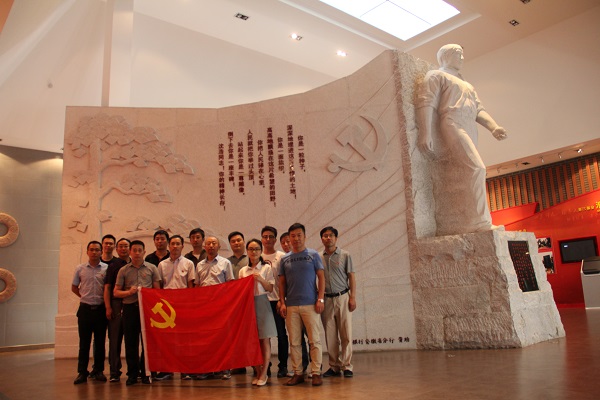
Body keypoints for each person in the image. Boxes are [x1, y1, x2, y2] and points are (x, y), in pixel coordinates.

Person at [416, 44, 507, 236]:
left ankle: (463, 220)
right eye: (458, 54)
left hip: (469, 124)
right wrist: (425, 132)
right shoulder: (437, 75)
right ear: (445, 56)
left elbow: (478, 109)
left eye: (462, 54)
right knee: (476, 167)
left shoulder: (467, 85)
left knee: (468, 170)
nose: (462, 58)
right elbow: (426, 102)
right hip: (452, 121)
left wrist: (493, 127)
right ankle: (479, 222)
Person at [279, 223, 325, 387]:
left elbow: (321, 277)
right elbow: (282, 283)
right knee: (295, 342)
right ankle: (298, 373)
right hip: (291, 306)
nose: (296, 239)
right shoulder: (285, 259)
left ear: (304, 236)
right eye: (293, 236)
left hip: (310, 304)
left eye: (299, 235)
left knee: (314, 340)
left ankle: (316, 372)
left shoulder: (313, 255)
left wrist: (320, 299)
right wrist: (282, 302)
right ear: (289, 238)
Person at [113, 240, 160, 386]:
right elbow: (116, 292)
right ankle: (132, 374)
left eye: (140, 250)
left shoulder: (152, 268)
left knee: (147, 343)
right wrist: (129, 292)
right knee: (131, 342)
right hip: (129, 308)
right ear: (130, 252)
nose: (137, 253)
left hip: (147, 309)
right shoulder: (123, 270)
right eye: (134, 250)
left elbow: (157, 291)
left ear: (144, 252)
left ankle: (146, 373)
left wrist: (148, 294)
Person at [155, 235, 196, 381]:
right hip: (167, 306)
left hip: (184, 304)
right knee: (167, 339)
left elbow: (191, 285)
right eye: (172, 244)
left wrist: (190, 305)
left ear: (182, 246)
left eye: (178, 244)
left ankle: (185, 369)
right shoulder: (162, 265)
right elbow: (160, 286)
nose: (175, 246)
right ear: (169, 246)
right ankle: (167, 370)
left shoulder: (189, 264)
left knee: (184, 339)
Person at [239, 239, 277, 387]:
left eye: (256, 249)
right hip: (248, 305)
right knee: (251, 340)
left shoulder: (266, 268)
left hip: (262, 303)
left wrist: (260, 279)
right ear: (247, 251)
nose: (253, 252)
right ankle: (258, 370)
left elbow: (270, 289)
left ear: (261, 251)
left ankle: (264, 372)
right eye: (251, 249)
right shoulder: (243, 271)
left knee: (264, 340)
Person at [195, 235, 235, 380]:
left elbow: (230, 285)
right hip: (205, 307)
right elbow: (197, 286)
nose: (211, 246)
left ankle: (224, 368)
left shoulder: (225, 263)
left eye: (214, 243)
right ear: (204, 246)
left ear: (218, 246)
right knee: (206, 338)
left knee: (222, 337)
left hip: (221, 306)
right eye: (208, 243)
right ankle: (207, 368)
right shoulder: (199, 265)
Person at [319, 226, 356, 378]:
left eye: (331, 235)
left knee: (346, 333)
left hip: (343, 297)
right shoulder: (318, 258)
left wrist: (353, 297)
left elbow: (351, 277)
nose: (328, 238)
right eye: (325, 235)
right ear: (322, 239)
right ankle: (334, 366)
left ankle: (347, 366)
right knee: (330, 335)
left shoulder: (345, 255)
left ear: (336, 238)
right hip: (327, 299)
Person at [72, 240, 108, 384]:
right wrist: (84, 297)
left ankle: (98, 370)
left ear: (101, 252)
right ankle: (82, 372)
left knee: (100, 342)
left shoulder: (106, 268)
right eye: (91, 249)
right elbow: (74, 287)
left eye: (97, 250)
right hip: (85, 310)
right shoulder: (80, 268)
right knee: (84, 343)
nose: (94, 252)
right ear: (87, 252)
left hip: (100, 310)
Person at [261, 226, 289, 378]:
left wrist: (282, 300)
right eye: (265, 236)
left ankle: (283, 366)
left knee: (281, 334)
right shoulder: (258, 256)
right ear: (261, 239)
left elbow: (285, 280)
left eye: (271, 236)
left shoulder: (282, 256)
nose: (268, 239)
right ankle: (265, 365)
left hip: (277, 300)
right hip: (262, 302)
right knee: (264, 336)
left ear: (275, 239)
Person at [103, 237, 131, 382]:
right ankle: (114, 371)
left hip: (131, 304)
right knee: (114, 340)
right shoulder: (113, 266)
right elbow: (107, 288)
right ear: (117, 249)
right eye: (120, 246)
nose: (123, 249)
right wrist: (108, 307)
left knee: (131, 340)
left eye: (126, 246)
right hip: (116, 304)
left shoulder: (135, 264)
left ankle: (133, 371)